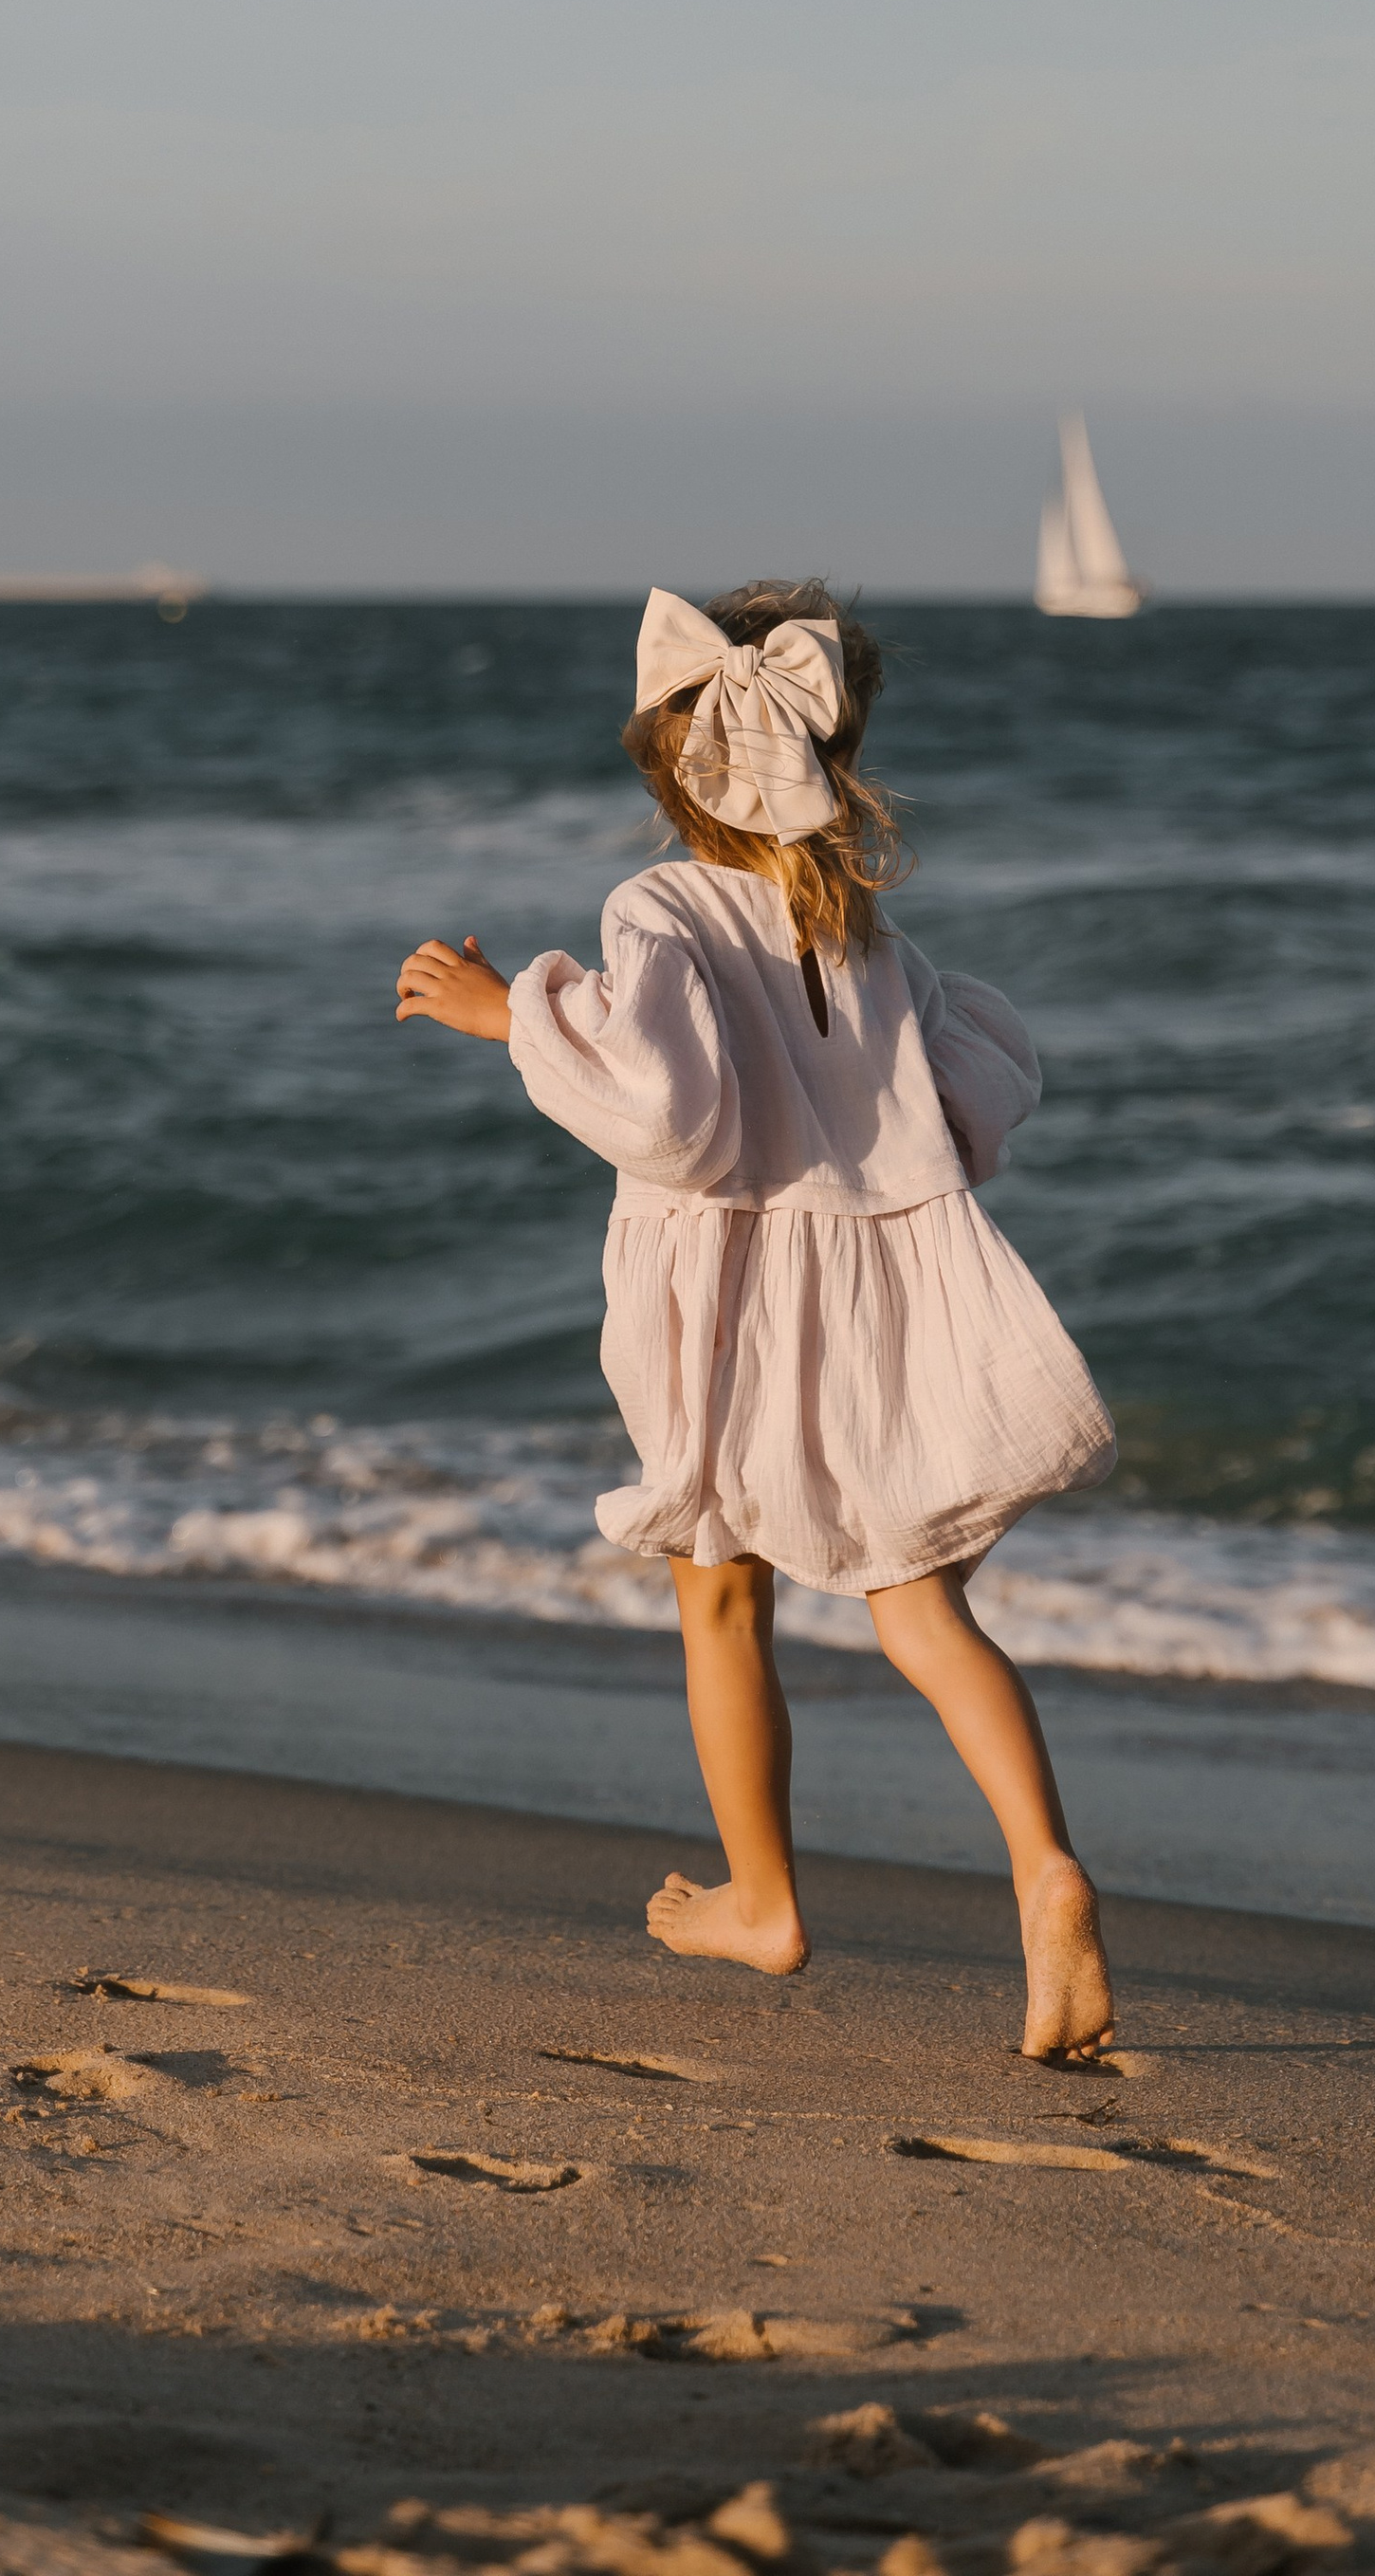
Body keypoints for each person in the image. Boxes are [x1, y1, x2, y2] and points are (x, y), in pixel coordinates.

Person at [395, 579, 1118, 2059]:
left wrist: (508, 1016)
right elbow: (972, 1096)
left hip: (728, 1291)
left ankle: (765, 1898)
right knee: (918, 1603)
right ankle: (1046, 1869)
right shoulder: (846, 913)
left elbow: (666, 1112)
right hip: (879, 1288)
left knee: (718, 1589)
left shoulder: (654, 905)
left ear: (667, 760)